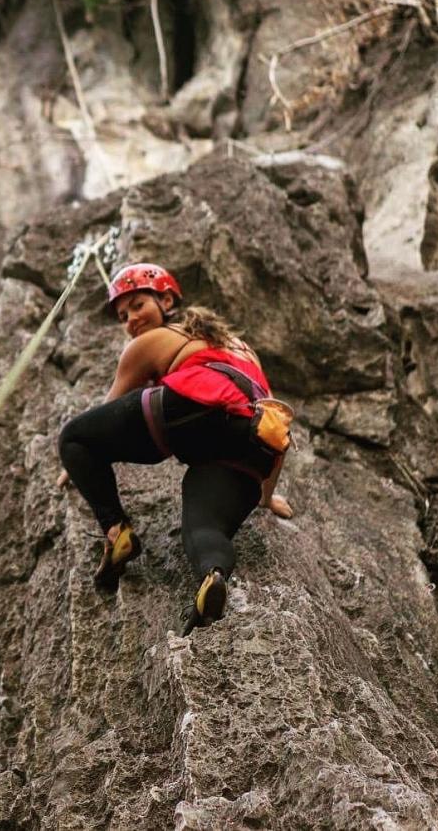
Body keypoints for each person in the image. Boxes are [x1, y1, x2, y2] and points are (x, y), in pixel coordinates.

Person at [56, 263, 293, 629]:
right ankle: (211, 577)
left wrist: (74, 459)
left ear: (166, 300)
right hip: (251, 442)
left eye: (138, 306)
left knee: (73, 437)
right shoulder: (244, 350)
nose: (131, 320)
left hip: (192, 409)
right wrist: (266, 497)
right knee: (203, 529)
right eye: (123, 315)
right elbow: (274, 427)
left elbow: (104, 414)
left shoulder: (153, 341)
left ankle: (117, 532)